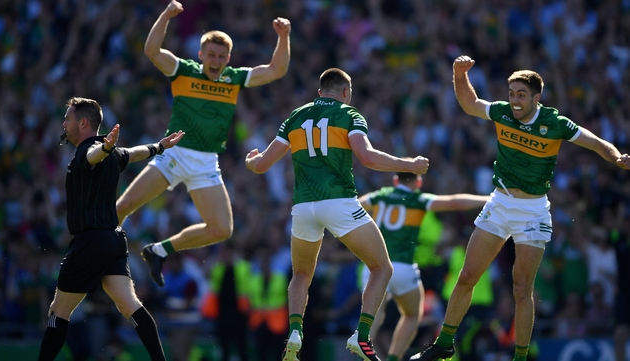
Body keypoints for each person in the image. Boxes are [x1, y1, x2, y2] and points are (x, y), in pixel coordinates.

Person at [409, 55, 630, 361]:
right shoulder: (503, 113)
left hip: (533, 211)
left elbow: (595, 143)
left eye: (521, 95)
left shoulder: (554, 123)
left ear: (536, 98)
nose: (514, 100)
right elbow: (470, 103)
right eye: (511, 93)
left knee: (521, 287)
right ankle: (445, 343)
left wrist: (617, 156)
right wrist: (459, 74)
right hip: (499, 203)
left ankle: (521, 356)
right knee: (467, 276)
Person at [244, 68, 430, 361]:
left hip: (303, 207)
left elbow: (263, 164)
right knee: (382, 267)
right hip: (339, 203)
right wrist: (408, 165)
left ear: (320, 92)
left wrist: (251, 161)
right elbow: (366, 157)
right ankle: (362, 336)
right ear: (346, 92)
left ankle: (295, 331)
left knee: (301, 274)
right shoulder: (349, 114)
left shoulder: (295, 116)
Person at [116, 0, 291, 286]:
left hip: (206, 162)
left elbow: (276, 70)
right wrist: (166, 15)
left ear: (229, 59)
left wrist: (283, 37)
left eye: (222, 57)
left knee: (222, 229)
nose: (216, 61)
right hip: (174, 155)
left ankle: (159, 250)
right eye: (211, 55)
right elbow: (152, 51)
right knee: (123, 207)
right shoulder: (184, 71)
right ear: (200, 55)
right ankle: (99, 252)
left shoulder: (233, 79)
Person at [37, 97, 185, 361]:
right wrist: (159, 146)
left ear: (83, 122)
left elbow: (93, 156)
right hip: (114, 240)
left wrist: (103, 148)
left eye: (68, 119)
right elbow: (134, 152)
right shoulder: (115, 153)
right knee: (129, 305)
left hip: (91, 242)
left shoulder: (89, 151)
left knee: (58, 312)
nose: (64, 123)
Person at [358, 172, 489, 361]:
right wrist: (489, 199)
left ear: (395, 180)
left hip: (374, 267)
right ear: (418, 181)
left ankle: (361, 349)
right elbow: (454, 202)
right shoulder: (418, 199)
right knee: (412, 314)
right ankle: (394, 358)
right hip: (402, 267)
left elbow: (353, 207)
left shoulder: (380, 195)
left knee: (374, 313)